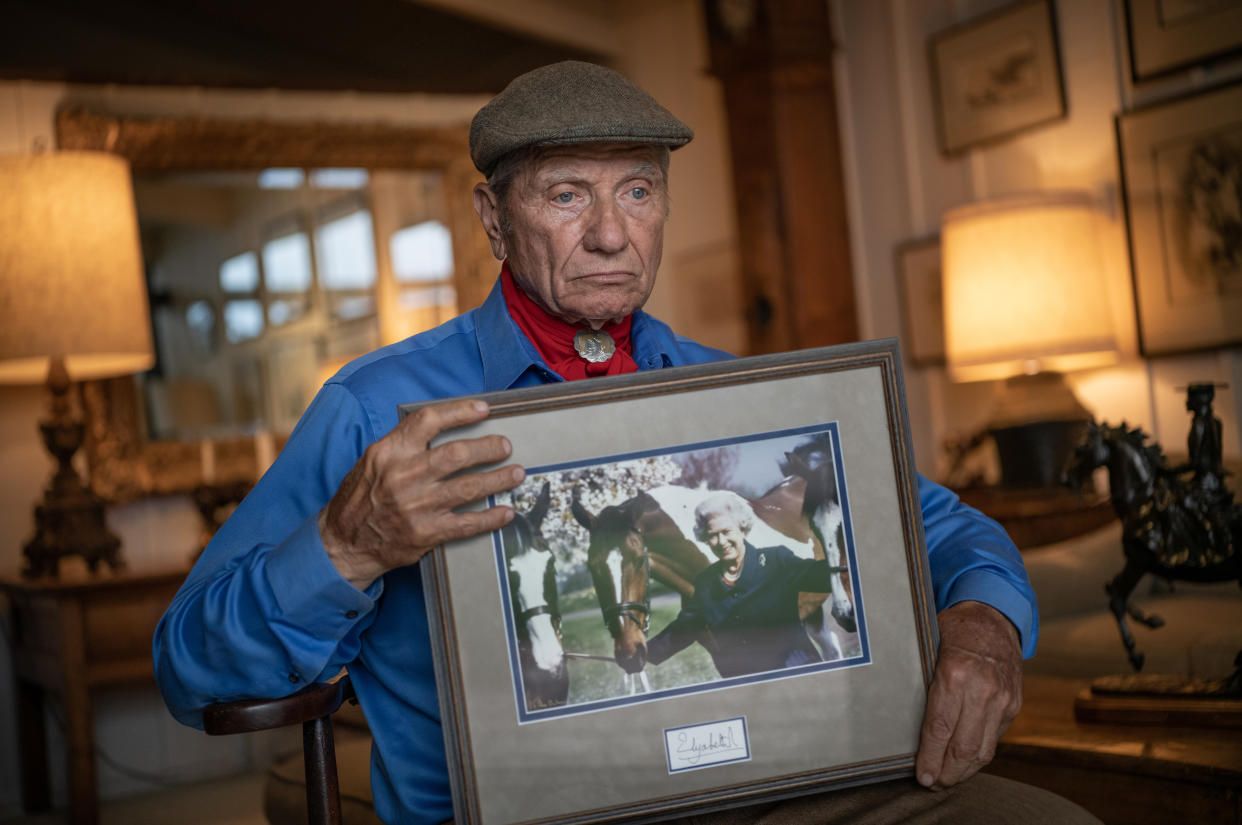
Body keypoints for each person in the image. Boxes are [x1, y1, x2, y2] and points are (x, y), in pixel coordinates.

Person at [154, 61, 1099, 824]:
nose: (611, 233)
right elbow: (188, 667)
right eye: (567, 196)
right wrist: (347, 546)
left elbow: (947, 529)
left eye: (637, 190)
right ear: (493, 219)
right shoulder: (377, 411)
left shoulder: (734, 390)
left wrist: (985, 623)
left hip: (776, 786)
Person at [646, 492, 836, 677]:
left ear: (742, 529)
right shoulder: (705, 581)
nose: (721, 541)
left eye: (726, 532)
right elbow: (685, 627)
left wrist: (841, 556)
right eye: (712, 535)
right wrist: (644, 653)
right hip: (743, 680)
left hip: (793, 669)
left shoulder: (776, 560)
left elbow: (821, 577)